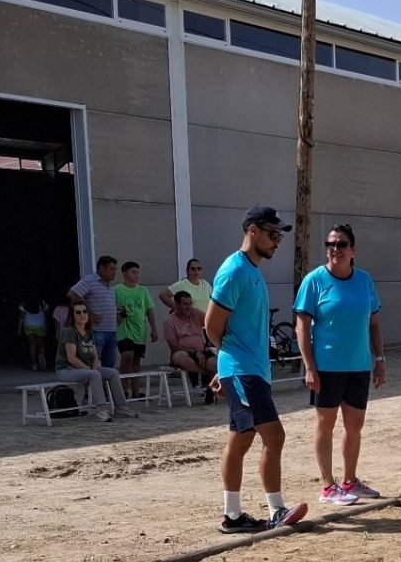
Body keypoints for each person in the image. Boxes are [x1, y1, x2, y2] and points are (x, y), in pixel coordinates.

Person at [208, 206, 308, 532]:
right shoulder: (235, 270)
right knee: (274, 435)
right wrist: (229, 365)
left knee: (240, 440)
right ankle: (276, 510)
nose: (277, 240)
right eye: (272, 233)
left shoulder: (251, 270)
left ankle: (232, 516)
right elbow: (211, 324)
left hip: (248, 370)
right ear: (253, 230)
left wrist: (226, 368)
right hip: (244, 370)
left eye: (280, 235)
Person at [295, 223, 387, 506]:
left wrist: (379, 360)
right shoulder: (314, 281)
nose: (335, 249)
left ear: (353, 250)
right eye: (330, 244)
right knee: (326, 424)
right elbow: (301, 326)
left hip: (358, 366)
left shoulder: (364, 281)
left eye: (341, 244)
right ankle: (328, 486)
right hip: (327, 367)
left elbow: (374, 323)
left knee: (354, 425)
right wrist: (310, 367)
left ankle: (350, 480)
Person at [57, 299, 129, 422]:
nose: (82, 315)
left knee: (113, 373)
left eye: (85, 311)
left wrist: (93, 367)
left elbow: (95, 356)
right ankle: (102, 410)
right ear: (72, 315)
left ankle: (121, 407)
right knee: (95, 374)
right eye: (78, 312)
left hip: (86, 369)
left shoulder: (89, 332)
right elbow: (72, 358)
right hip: (67, 370)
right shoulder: (69, 332)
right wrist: (90, 370)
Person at [68, 256, 122, 371]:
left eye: (115, 269)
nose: (114, 272)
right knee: (91, 364)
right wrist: (88, 314)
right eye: (112, 269)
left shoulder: (109, 285)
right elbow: (73, 294)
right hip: (96, 331)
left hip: (111, 331)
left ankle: (105, 383)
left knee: (109, 366)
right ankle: (90, 383)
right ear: (102, 268)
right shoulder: (90, 281)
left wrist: (117, 313)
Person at [163, 289, 218, 402]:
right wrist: (194, 352)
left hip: (201, 351)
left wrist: (210, 340)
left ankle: (210, 390)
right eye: (185, 304)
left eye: (190, 303)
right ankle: (206, 373)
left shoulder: (196, 313)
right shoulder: (169, 321)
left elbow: (211, 323)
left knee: (216, 364)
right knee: (179, 357)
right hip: (183, 352)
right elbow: (173, 345)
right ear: (177, 305)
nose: (189, 307)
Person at [113, 261, 157, 374]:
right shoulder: (116, 290)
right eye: (133, 272)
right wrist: (118, 313)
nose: (136, 275)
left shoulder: (143, 290)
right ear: (124, 273)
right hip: (124, 330)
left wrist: (154, 329)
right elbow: (111, 309)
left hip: (139, 330)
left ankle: (135, 385)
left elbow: (149, 310)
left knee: (136, 360)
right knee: (127, 356)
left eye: (138, 272)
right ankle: (124, 384)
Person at [17, 297, 47, 371]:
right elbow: (45, 315)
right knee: (41, 344)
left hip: (28, 325)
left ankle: (34, 363)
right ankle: (41, 357)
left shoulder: (24, 304)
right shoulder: (42, 303)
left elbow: (21, 317)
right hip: (40, 324)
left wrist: (19, 329)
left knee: (32, 344)